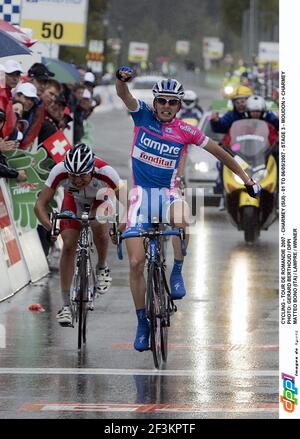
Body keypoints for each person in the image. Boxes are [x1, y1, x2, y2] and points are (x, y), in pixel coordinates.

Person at [115, 66, 261, 352]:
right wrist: (121, 80)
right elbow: (124, 94)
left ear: (179, 106)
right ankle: (143, 322)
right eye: (162, 101)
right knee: (135, 263)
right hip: (140, 195)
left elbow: (222, 153)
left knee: (182, 218)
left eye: (173, 102)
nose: (167, 106)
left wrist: (246, 179)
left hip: (168, 192)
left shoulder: (186, 130)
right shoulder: (141, 115)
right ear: (155, 102)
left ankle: (178, 270)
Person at [34, 143, 124, 326]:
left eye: (82, 175)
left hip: (100, 199)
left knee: (98, 224)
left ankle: (102, 267)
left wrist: (121, 227)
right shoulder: (59, 171)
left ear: (92, 169)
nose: (76, 180)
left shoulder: (106, 171)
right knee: (68, 245)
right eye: (72, 175)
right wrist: (50, 227)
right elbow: (40, 205)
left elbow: (129, 202)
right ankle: (66, 305)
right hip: (73, 201)